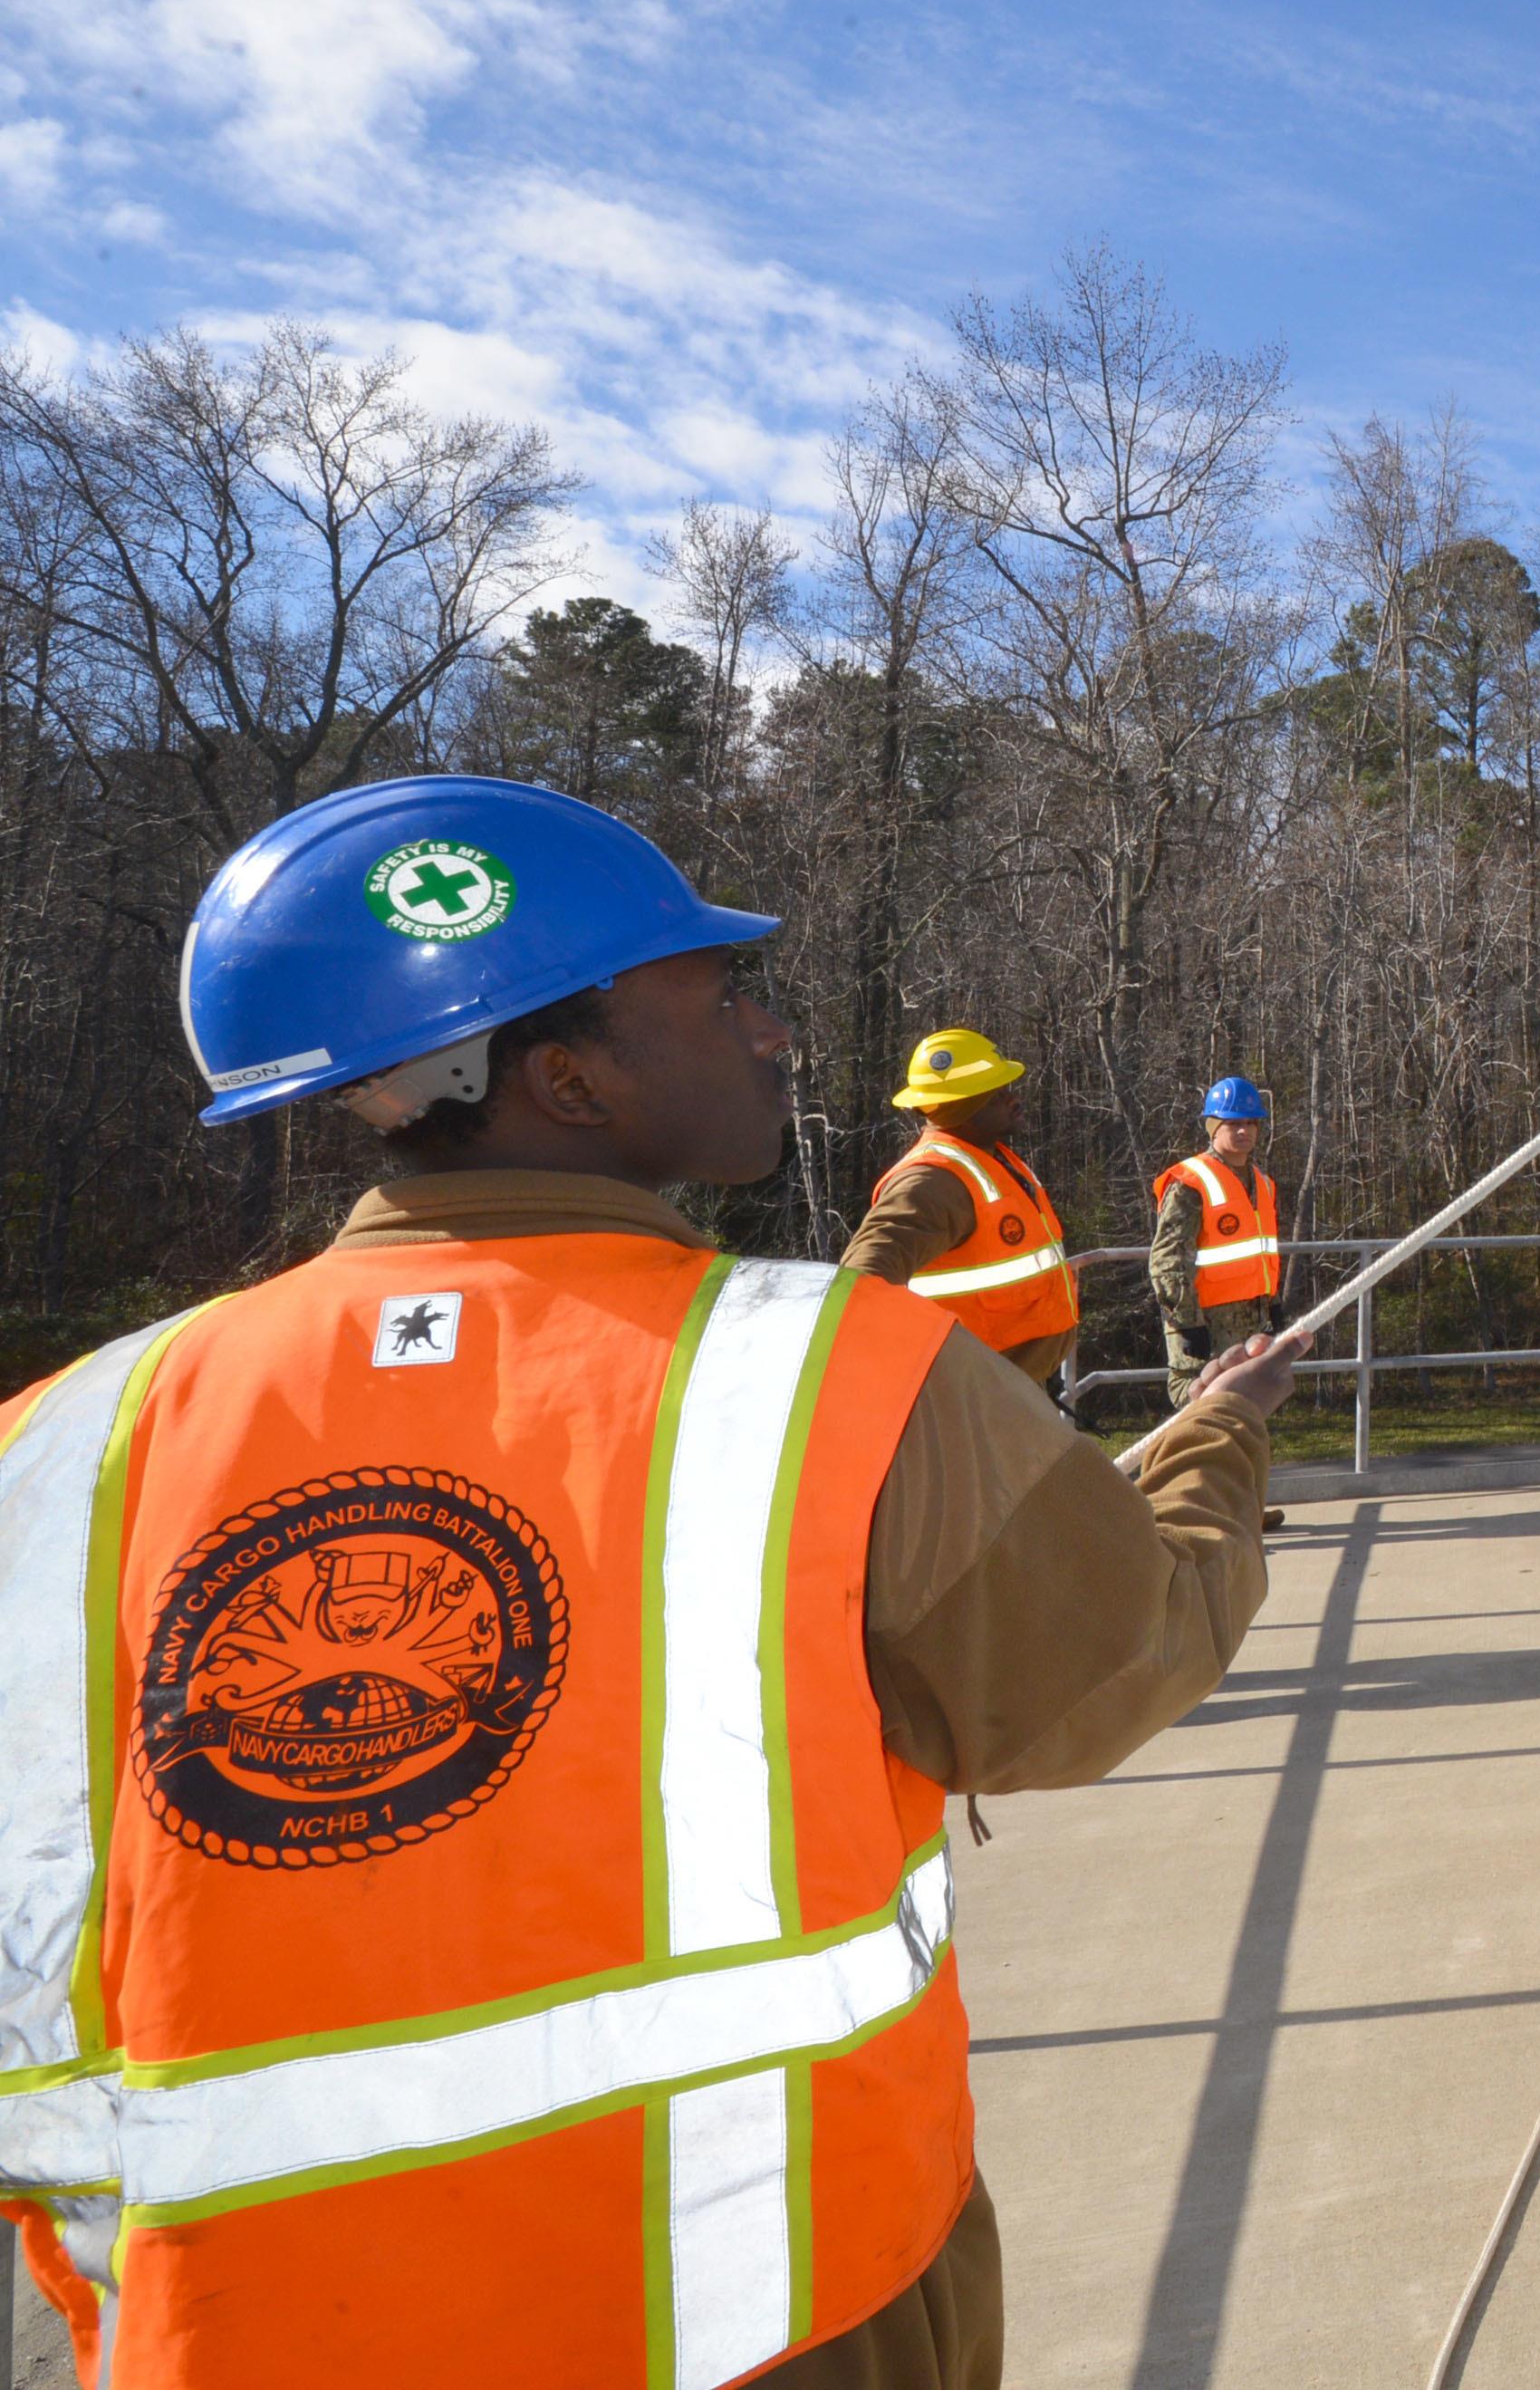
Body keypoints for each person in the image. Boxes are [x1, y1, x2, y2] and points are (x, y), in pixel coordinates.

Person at [0, 775, 1295, 2390]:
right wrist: (1215, 1447)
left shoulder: (62, 1445)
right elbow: (1111, 1660)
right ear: (565, 1077)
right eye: (720, 991)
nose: (772, 1034)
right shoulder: (830, 1377)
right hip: (769, 2312)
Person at [844, 1028, 1081, 1387]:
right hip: (974, 1399)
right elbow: (859, 1284)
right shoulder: (930, 1183)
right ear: (965, 1109)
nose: (1014, 1099)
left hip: (1015, 1387)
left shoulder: (989, 1157)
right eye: (997, 1095)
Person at [1151, 1077, 1283, 1406]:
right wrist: (1187, 1325)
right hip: (1204, 1327)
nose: (1244, 1131)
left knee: (1246, 1416)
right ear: (1213, 1127)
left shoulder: (1262, 1184)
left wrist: (1273, 1303)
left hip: (1250, 1325)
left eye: (1251, 1122)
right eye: (1233, 1123)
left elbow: (1261, 1254)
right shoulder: (1190, 1182)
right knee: (1197, 1413)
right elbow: (1168, 1261)